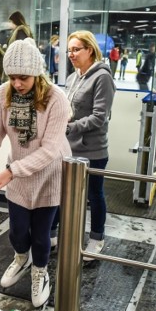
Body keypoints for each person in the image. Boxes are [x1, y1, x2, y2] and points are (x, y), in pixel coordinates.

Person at [0, 37, 71, 308]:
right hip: (18, 176)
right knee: (18, 232)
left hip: (49, 176)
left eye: (23, 78)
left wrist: (10, 172)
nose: (17, 84)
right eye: (12, 77)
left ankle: (40, 273)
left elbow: (51, 150)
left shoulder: (56, 99)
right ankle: (22, 259)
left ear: (36, 73)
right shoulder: (4, 94)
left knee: (42, 235)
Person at [51, 30, 115, 259]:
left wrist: (70, 127)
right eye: (68, 49)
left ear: (90, 50)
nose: (70, 54)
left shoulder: (102, 77)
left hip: (92, 150)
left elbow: (100, 116)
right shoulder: (72, 77)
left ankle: (97, 239)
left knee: (94, 195)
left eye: (76, 49)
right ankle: (52, 233)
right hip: (69, 147)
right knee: (59, 191)